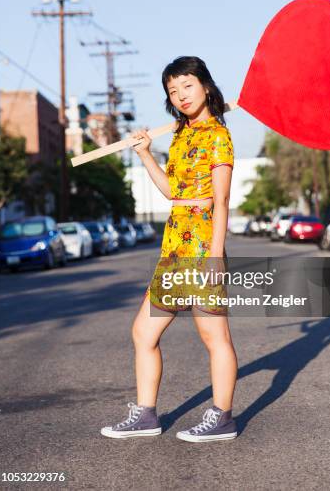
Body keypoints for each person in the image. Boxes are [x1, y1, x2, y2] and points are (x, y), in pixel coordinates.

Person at [101, 56, 238, 442]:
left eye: (187, 86)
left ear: (206, 86)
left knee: (215, 338)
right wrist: (145, 153)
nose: (180, 96)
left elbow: (223, 201)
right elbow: (172, 192)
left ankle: (222, 417)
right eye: (172, 91)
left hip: (200, 247)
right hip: (174, 248)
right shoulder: (180, 135)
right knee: (143, 333)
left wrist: (215, 256)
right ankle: (146, 415)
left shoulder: (217, 136)